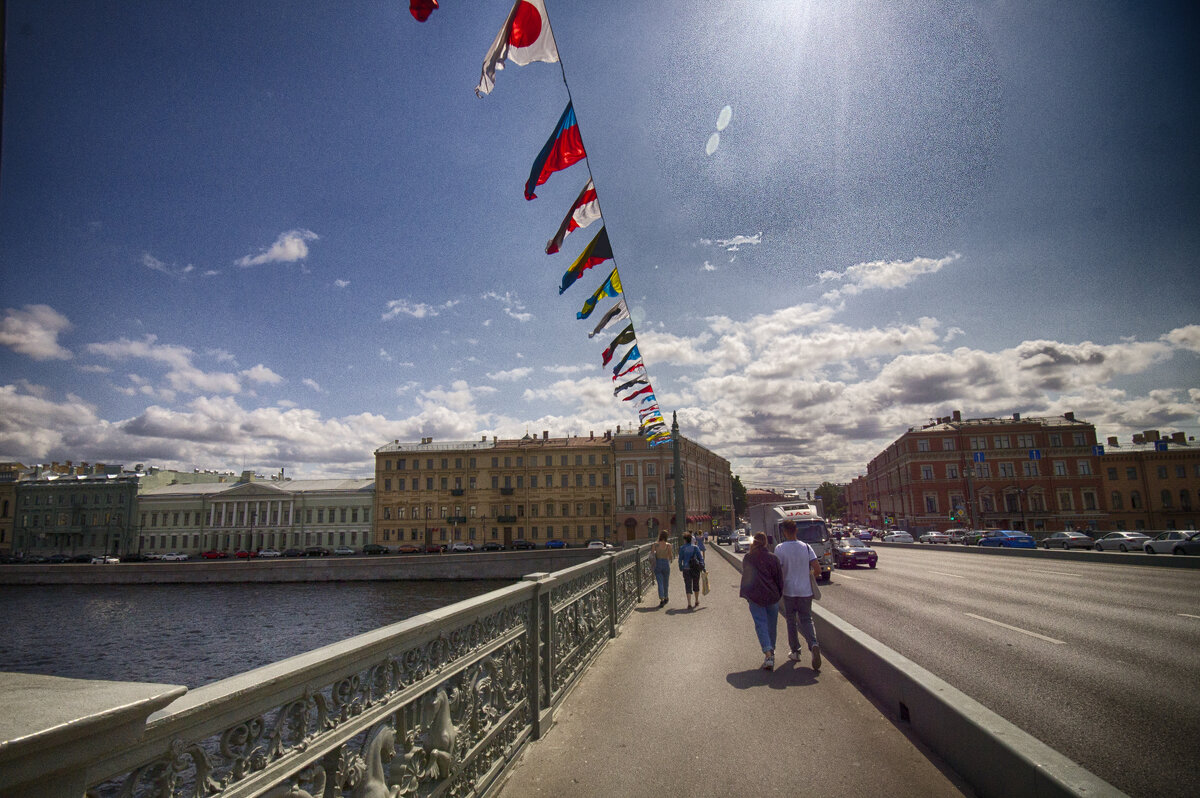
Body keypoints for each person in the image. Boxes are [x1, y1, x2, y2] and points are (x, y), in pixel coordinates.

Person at [774, 519, 822, 670]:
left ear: (784, 532)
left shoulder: (780, 548)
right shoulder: (806, 547)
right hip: (805, 591)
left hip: (788, 591)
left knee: (791, 621)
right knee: (807, 619)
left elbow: (777, 571)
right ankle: (813, 644)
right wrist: (807, 574)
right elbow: (817, 569)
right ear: (796, 531)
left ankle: (795, 651)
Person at [739, 532, 783, 670]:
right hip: (772, 595)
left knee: (760, 624)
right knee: (771, 625)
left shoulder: (748, 557)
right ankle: (771, 652)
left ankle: (768, 653)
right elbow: (779, 578)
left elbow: (746, 576)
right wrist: (778, 593)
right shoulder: (773, 558)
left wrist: (746, 594)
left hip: (755, 596)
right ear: (765, 543)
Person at [678, 532, 706, 609]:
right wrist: (703, 567)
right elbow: (701, 558)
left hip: (686, 569)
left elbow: (680, 560)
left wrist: (681, 567)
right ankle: (696, 600)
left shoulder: (682, 548)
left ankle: (689, 603)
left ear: (685, 540)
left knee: (688, 585)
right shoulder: (695, 547)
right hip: (695, 568)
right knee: (696, 584)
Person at [651, 530, 674, 606]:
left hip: (658, 564)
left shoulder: (655, 545)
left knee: (660, 582)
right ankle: (666, 596)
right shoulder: (668, 545)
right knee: (666, 582)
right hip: (665, 563)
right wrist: (670, 559)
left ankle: (661, 599)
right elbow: (671, 556)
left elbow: (652, 555)